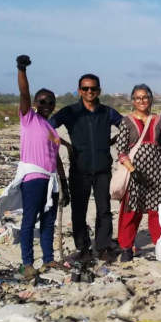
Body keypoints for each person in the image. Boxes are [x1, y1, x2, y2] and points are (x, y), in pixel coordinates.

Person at [50, 73, 123, 262]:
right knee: (79, 210)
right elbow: (47, 128)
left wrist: (113, 141)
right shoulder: (70, 112)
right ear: (79, 90)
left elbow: (126, 127)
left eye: (93, 88)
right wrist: (64, 144)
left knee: (104, 210)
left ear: (99, 90)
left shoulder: (108, 112)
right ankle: (83, 249)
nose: (89, 91)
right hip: (79, 169)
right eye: (85, 88)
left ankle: (103, 247)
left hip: (102, 168)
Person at [14, 55, 68, 280]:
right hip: (34, 177)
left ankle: (48, 259)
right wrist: (22, 69)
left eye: (51, 102)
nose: (47, 105)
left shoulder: (51, 128)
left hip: (52, 180)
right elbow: (24, 93)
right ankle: (27, 263)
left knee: (48, 221)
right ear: (36, 103)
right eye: (43, 101)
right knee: (29, 220)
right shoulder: (29, 118)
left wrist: (64, 184)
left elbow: (55, 159)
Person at [115, 84, 161, 262]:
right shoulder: (127, 121)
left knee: (157, 211)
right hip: (135, 172)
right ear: (133, 101)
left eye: (145, 97)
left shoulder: (158, 121)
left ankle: (160, 245)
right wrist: (133, 171)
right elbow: (121, 150)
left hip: (157, 171)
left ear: (150, 99)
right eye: (138, 98)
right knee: (132, 210)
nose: (141, 101)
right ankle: (126, 247)